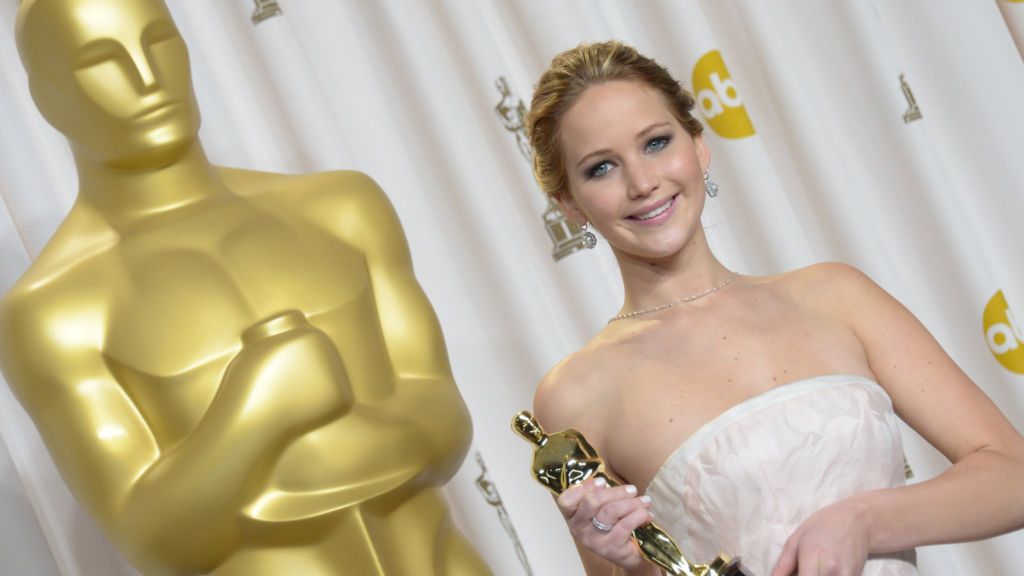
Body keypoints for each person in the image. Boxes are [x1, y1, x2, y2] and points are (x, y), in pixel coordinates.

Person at [0, 0, 491, 574]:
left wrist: (278, 470)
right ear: (47, 97)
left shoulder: (341, 209)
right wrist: (256, 412)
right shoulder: (55, 313)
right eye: (101, 60)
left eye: (158, 42)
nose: (147, 78)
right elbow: (151, 540)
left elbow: (447, 423)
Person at [524, 40, 1024, 576]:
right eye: (602, 168)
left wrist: (864, 521)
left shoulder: (837, 296)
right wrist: (633, 565)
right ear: (570, 203)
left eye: (656, 143)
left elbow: (1010, 474)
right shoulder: (576, 393)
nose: (642, 183)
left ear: (698, 145)